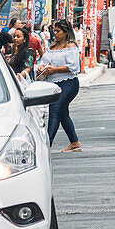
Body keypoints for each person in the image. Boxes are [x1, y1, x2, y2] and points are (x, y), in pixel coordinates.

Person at [36, 19, 82, 153]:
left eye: (58, 31)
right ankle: (74, 142)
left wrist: (55, 70)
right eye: (54, 31)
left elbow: (73, 67)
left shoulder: (71, 46)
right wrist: (42, 68)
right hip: (53, 84)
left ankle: (46, 145)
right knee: (62, 113)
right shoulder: (52, 47)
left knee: (55, 110)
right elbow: (44, 61)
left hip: (68, 83)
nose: (55, 33)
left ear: (66, 32)